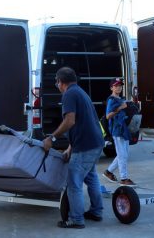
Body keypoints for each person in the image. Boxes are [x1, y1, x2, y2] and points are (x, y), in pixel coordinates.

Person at [43, 67, 104, 229]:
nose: (57, 86)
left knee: (73, 183)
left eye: (57, 82)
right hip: (95, 143)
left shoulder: (69, 94)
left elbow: (70, 121)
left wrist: (51, 138)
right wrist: (70, 147)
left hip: (86, 146)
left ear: (60, 82)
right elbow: (82, 122)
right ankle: (96, 211)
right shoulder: (80, 92)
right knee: (91, 178)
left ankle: (76, 219)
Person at [102, 78, 136, 186]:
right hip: (117, 130)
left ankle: (108, 172)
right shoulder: (112, 100)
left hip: (123, 130)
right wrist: (120, 107)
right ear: (111, 87)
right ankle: (124, 178)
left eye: (120, 86)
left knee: (124, 154)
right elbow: (108, 116)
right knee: (122, 155)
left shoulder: (120, 98)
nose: (119, 87)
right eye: (116, 86)